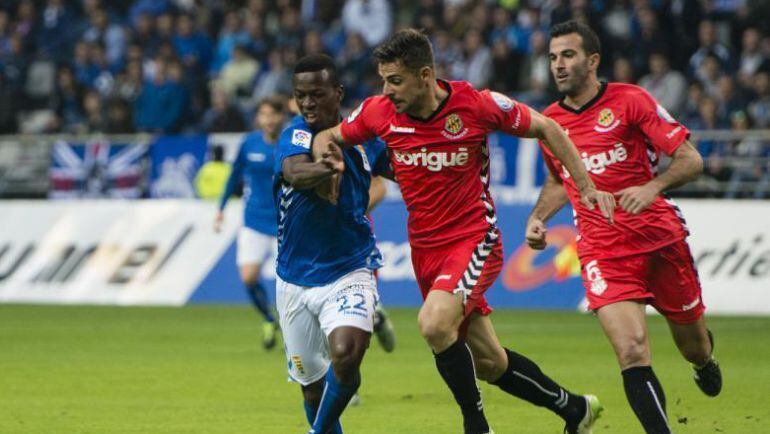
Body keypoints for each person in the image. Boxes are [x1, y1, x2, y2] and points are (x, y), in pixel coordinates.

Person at [313, 29, 615, 434]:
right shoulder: (378, 112)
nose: (386, 91)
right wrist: (325, 160)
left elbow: (549, 128)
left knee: (434, 324)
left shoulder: (476, 105)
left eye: (395, 80)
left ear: (424, 75)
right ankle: (576, 409)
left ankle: (476, 424)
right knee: (490, 363)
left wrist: (588, 186)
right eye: (383, 80)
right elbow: (328, 137)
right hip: (425, 249)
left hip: (475, 238)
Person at [526, 21, 722, 434]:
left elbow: (690, 159)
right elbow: (561, 179)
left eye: (568, 55)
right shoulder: (550, 123)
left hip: (659, 240)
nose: (558, 65)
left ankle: (705, 361)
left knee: (694, 346)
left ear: (592, 60)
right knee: (632, 351)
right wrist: (539, 218)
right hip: (603, 249)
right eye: (553, 58)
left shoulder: (632, 100)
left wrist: (653, 187)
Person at [275, 54, 387, 434]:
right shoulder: (295, 134)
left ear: (337, 93)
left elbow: (407, 167)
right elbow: (293, 171)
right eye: (300, 95)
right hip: (294, 279)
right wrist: (326, 169)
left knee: (347, 355)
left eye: (317, 94)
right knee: (312, 390)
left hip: (349, 268)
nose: (307, 104)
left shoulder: (364, 139)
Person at [215, 97, 286, 349]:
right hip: (253, 220)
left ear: (281, 116)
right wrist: (221, 208)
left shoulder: (292, 142)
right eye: (263, 114)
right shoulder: (249, 144)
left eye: (272, 114)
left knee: (289, 284)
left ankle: (294, 331)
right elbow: (234, 176)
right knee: (248, 277)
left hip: (284, 223)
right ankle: (269, 319)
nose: (268, 120)